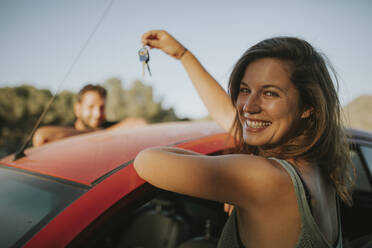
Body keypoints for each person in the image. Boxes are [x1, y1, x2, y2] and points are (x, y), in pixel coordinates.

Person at [134, 30, 353, 247]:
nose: (248, 106)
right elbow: (236, 118)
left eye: (270, 93)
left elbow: (146, 161)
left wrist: (230, 178)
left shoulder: (265, 178)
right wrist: (183, 55)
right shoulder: (321, 170)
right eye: (245, 90)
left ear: (308, 106)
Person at [33, 84, 146, 147]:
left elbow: (139, 123)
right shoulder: (66, 131)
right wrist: (98, 133)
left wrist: (102, 132)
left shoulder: (108, 126)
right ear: (77, 109)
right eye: (91, 107)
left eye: (101, 108)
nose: (97, 114)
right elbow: (41, 137)